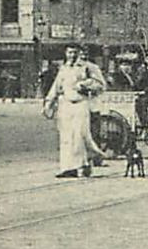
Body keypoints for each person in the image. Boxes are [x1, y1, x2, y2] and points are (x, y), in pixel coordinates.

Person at [44, 44, 106, 178]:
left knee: (80, 136)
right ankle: (67, 168)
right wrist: (48, 103)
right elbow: (56, 86)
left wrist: (85, 86)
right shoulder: (64, 68)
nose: (72, 55)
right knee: (65, 137)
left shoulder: (89, 67)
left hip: (81, 104)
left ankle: (84, 164)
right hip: (65, 104)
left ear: (79, 53)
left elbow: (101, 85)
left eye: (74, 53)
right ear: (66, 53)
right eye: (69, 53)